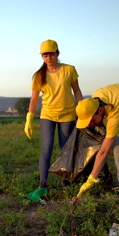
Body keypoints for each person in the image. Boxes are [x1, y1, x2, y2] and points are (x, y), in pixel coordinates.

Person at [25, 39, 83, 201]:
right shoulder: (38, 75)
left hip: (67, 115)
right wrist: (29, 117)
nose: (48, 57)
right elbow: (34, 99)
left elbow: (77, 91)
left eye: (51, 54)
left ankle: (67, 181)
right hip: (48, 115)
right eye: (45, 55)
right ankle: (43, 185)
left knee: (66, 149)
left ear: (57, 53)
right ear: (42, 56)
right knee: (46, 148)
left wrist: (83, 108)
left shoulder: (69, 70)